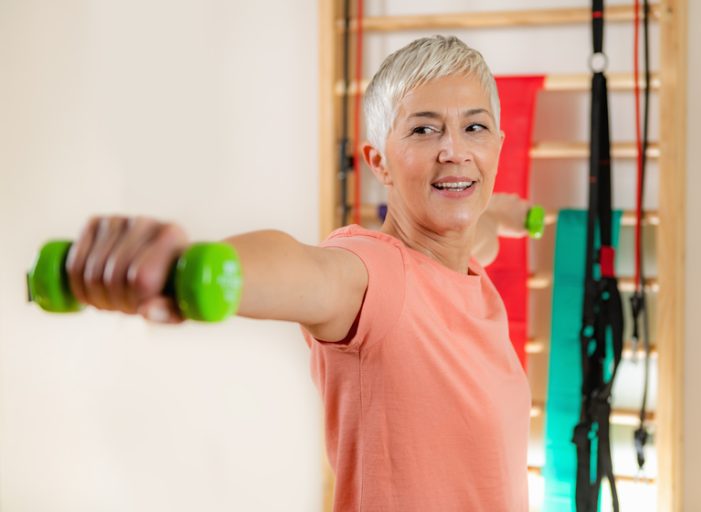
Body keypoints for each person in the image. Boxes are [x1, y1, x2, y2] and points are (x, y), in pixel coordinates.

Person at [66, 35, 532, 511]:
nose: (454, 151)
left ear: (498, 146)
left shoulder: (464, 260)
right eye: (424, 130)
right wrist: (178, 265)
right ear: (380, 163)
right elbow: (308, 270)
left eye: (474, 127)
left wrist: (503, 214)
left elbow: (483, 231)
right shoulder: (377, 276)